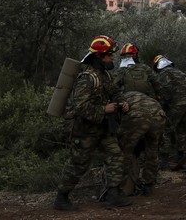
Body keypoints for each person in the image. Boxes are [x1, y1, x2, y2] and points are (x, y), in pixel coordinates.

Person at [53, 35, 132, 211]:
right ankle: (62, 198)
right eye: (109, 55)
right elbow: (80, 108)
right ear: (99, 57)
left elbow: (115, 92)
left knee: (116, 156)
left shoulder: (104, 76)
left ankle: (113, 195)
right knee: (78, 164)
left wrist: (122, 102)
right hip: (85, 131)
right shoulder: (87, 78)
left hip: (103, 129)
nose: (113, 58)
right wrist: (105, 109)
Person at [152, 54, 186, 171]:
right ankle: (181, 156)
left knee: (166, 129)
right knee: (181, 129)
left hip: (177, 105)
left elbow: (166, 90)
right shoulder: (180, 72)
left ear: (158, 65)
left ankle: (164, 161)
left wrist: (163, 102)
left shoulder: (164, 73)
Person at [117, 90, 166, 197]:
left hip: (138, 116)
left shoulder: (120, 98)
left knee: (125, 152)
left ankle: (121, 187)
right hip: (159, 113)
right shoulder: (143, 96)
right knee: (153, 152)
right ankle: (148, 185)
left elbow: (120, 126)